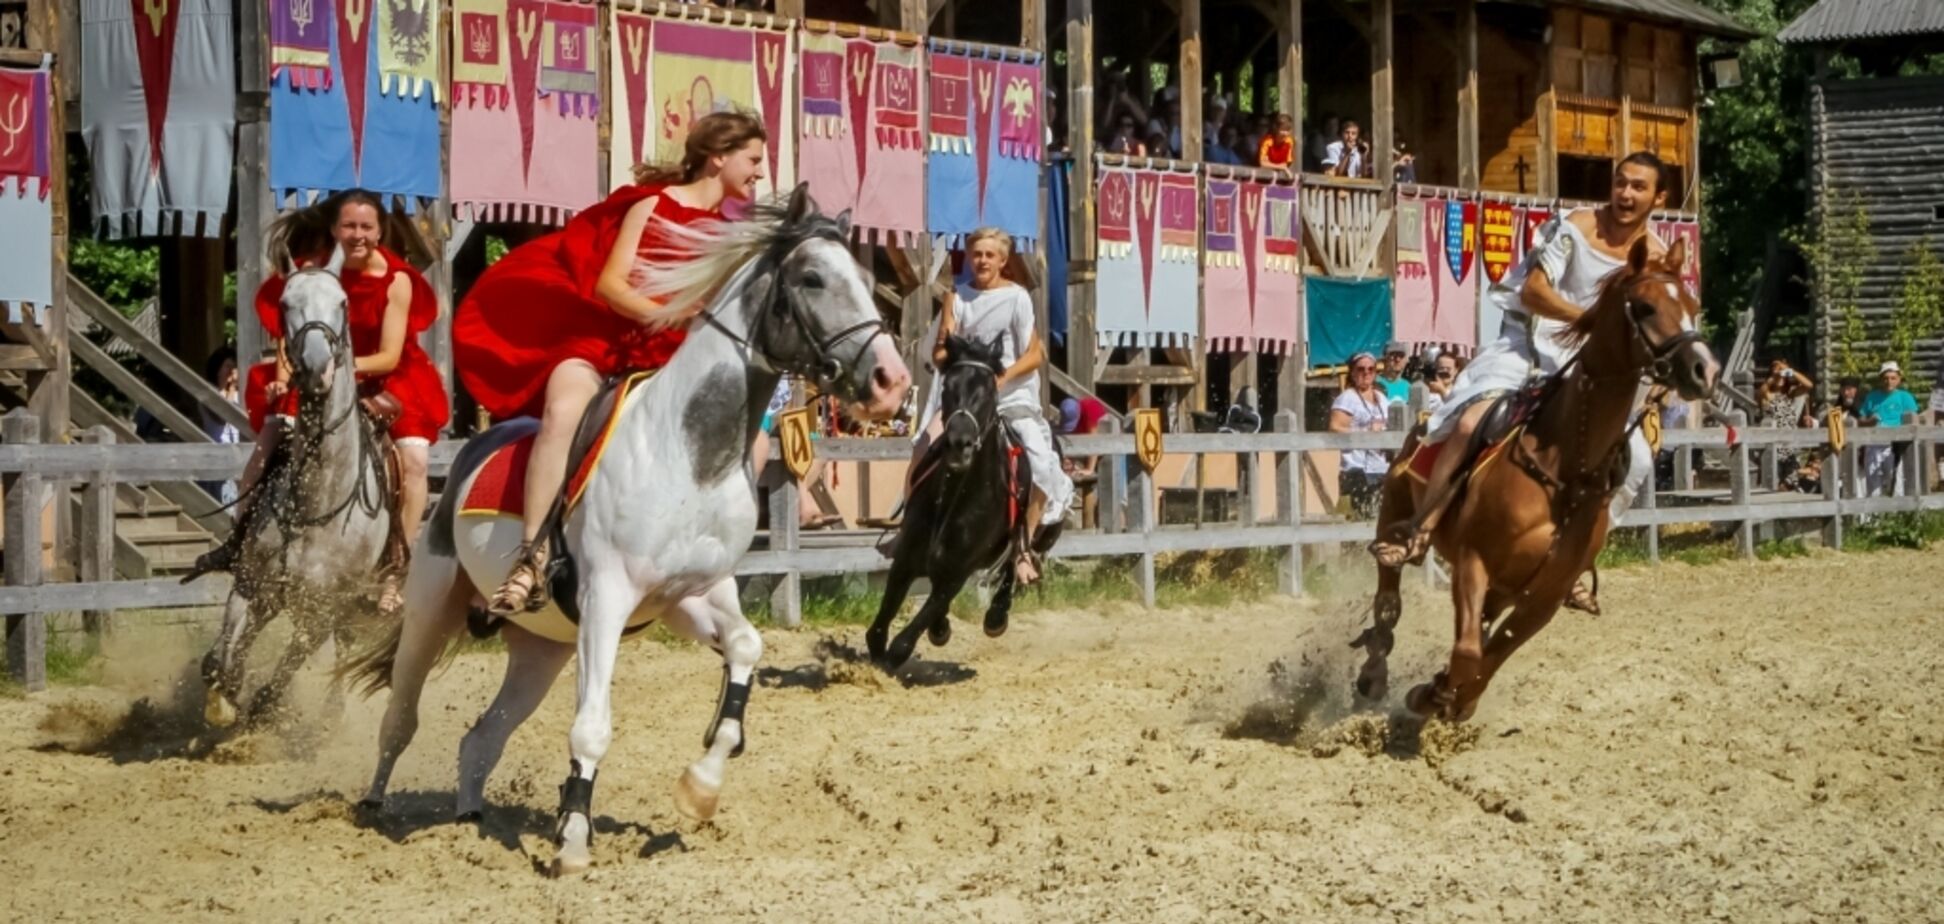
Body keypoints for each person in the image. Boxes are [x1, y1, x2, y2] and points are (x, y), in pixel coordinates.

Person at [454, 111, 768, 617]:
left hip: (674, 359)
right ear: (719, 157)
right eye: (753, 160)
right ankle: (530, 555)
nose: (758, 172)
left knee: (756, 440)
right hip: (605, 342)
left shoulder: (728, 230)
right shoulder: (651, 206)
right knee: (563, 412)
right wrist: (669, 315)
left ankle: (701, 549)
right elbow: (610, 285)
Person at [1371, 152, 1676, 613]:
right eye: (1620, 183)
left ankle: (1576, 559)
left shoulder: (1652, 256)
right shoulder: (1574, 227)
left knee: (1633, 460)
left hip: (1593, 368)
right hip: (1532, 345)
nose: (1625, 194)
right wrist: (1589, 321)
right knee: (1473, 420)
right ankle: (1423, 525)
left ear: (1659, 197)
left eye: (1638, 187)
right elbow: (1534, 291)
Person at [184, 189, 451, 614]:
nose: (357, 235)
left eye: (366, 227)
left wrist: (338, 370)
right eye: (349, 226)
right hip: (318, 371)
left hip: (385, 375)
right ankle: (238, 542)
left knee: (414, 462)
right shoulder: (312, 274)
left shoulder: (397, 281)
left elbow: (389, 355)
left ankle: (395, 568)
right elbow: (292, 338)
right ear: (333, 229)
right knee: (271, 437)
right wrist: (282, 378)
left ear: (380, 231)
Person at [907, 228, 1071, 584]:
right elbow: (940, 348)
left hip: (1010, 395)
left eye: (988, 255)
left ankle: (1024, 548)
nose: (981, 260)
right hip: (968, 396)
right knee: (922, 449)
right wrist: (953, 360)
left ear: (1001, 260)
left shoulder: (1017, 298)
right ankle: (909, 531)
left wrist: (999, 378)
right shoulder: (957, 297)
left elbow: (1035, 354)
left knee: (1042, 464)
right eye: (976, 253)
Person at [1330, 352, 1391, 519]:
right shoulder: (1347, 398)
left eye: (1371, 369)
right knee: (1359, 516)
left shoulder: (1382, 398)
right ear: (1352, 372)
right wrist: (1365, 434)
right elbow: (1335, 428)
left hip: (1381, 468)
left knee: (1381, 516)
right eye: (1361, 369)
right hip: (1356, 469)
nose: (1366, 373)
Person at [1858, 360, 1919, 497]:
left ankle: (1897, 516)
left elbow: (1914, 419)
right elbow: (1861, 419)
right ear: (1881, 379)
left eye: (1893, 378)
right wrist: (1870, 421)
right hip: (1873, 443)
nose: (1889, 381)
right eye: (1885, 378)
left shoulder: (1905, 397)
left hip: (1895, 445)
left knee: (1896, 483)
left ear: (1899, 379)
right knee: (1873, 485)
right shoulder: (1872, 397)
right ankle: (1875, 517)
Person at [1757, 358, 1815, 489]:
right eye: (1776, 371)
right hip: (1773, 445)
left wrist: (1790, 371)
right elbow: (1761, 393)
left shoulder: (1791, 393)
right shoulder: (1767, 393)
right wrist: (1774, 375)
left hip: (1790, 446)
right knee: (1772, 483)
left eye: (1783, 372)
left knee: (1789, 483)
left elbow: (1809, 385)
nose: (1780, 375)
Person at [198, 348, 243, 506]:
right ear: (217, 370)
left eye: (234, 367)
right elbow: (222, 417)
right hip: (217, 456)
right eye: (227, 366)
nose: (231, 371)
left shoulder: (240, 395)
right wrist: (230, 388)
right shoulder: (209, 394)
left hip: (238, 454)